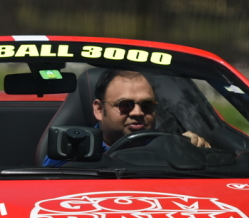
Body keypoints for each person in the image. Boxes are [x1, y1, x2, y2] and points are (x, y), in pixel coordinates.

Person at [43, 69, 208, 165]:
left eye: (147, 105)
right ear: (99, 110)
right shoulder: (69, 151)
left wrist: (191, 149)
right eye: (125, 105)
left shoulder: (173, 148)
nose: (137, 112)